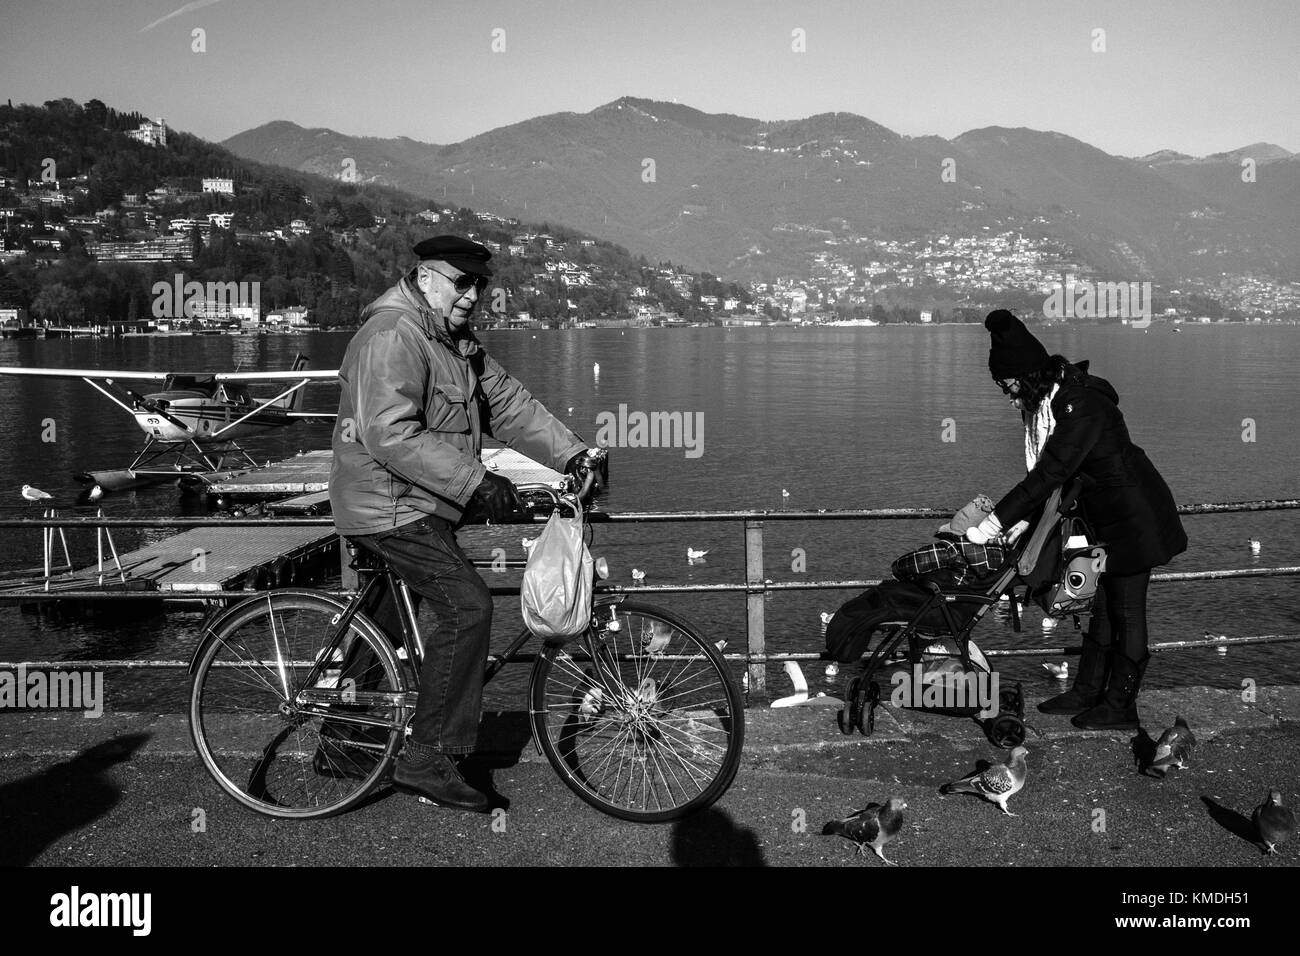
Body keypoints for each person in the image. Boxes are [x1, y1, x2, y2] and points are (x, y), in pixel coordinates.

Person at [327, 235, 604, 811]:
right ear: (426, 277)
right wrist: (476, 483)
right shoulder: (392, 335)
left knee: (384, 620)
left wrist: (574, 453)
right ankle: (428, 758)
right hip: (388, 506)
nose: (474, 294)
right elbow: (389, 433)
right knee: (469, 606)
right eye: (463, 281)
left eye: (481, 284)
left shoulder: (451, 342)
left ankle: (342, 738)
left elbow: (507, 404)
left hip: (416, 502)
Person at [965, 310, 1187, 730]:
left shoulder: (1080, 406)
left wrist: (993, 524)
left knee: (1126, 612)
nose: (1011, 399)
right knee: (1102, 607)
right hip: (1104, 518)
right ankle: (1087, 690)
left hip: (1134, 519)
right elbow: (1049, 477)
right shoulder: (1058, 401)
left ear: (1028, 376)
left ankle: (1121, 707)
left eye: (1011, 387)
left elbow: (1052, 472)